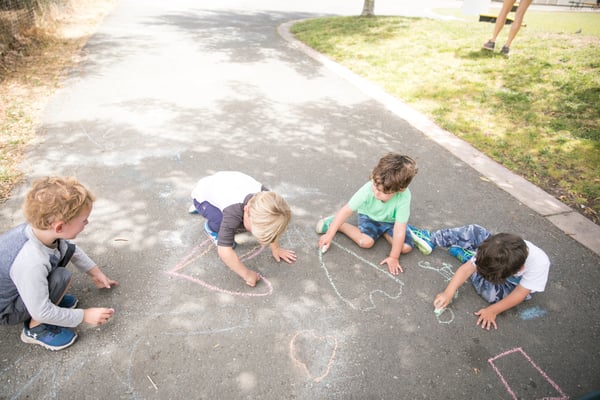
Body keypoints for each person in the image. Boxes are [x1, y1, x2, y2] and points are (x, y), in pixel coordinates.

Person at [0, 177, 118, 351]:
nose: (87, 223)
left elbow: (71, 250)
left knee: (63, 262)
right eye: (83, 220)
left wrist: (96, 273)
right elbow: (41, 311)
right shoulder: (31, 261)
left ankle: (50, 302)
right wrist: (84, 315)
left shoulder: (41, 231)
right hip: (6, 310)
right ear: (59, 227)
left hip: (19, 289)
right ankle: (34, 329)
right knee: (61, 278)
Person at [408, 224, 550, 330]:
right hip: (497, 262)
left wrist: (493, 310)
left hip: (512, 283)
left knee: (493, 297)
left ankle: (469, 257)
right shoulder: (495, 249)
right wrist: (448, 292)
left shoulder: (540, 263)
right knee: (474, 231)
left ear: (520, 269)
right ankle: (432, 238)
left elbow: (519, 294)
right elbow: (466, 270)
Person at [316, 153, 418, 275]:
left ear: (399, 189)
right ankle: (339, 225)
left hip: (391, 222)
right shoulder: (368, 189)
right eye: (375, 185)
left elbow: (399, 228)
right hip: (369, 217)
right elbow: (346, 210)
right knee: (366, 242)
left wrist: (394, 257)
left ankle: (383, 232)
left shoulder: (404, 196)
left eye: (382, 192)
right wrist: (329, 234)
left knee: (405, 248)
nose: (376, 192)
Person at [190, 171, 296, 287]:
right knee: (221, 222)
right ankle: (211, 228)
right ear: (246, 209)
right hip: (201, 196)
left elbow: (272, 226)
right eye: (253, 230)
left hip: (221, 185)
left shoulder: (269, 201)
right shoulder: (233, 212)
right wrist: (246, 274)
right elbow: (224, 251)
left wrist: (276, 248)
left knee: (239, 223)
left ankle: (213, 205)